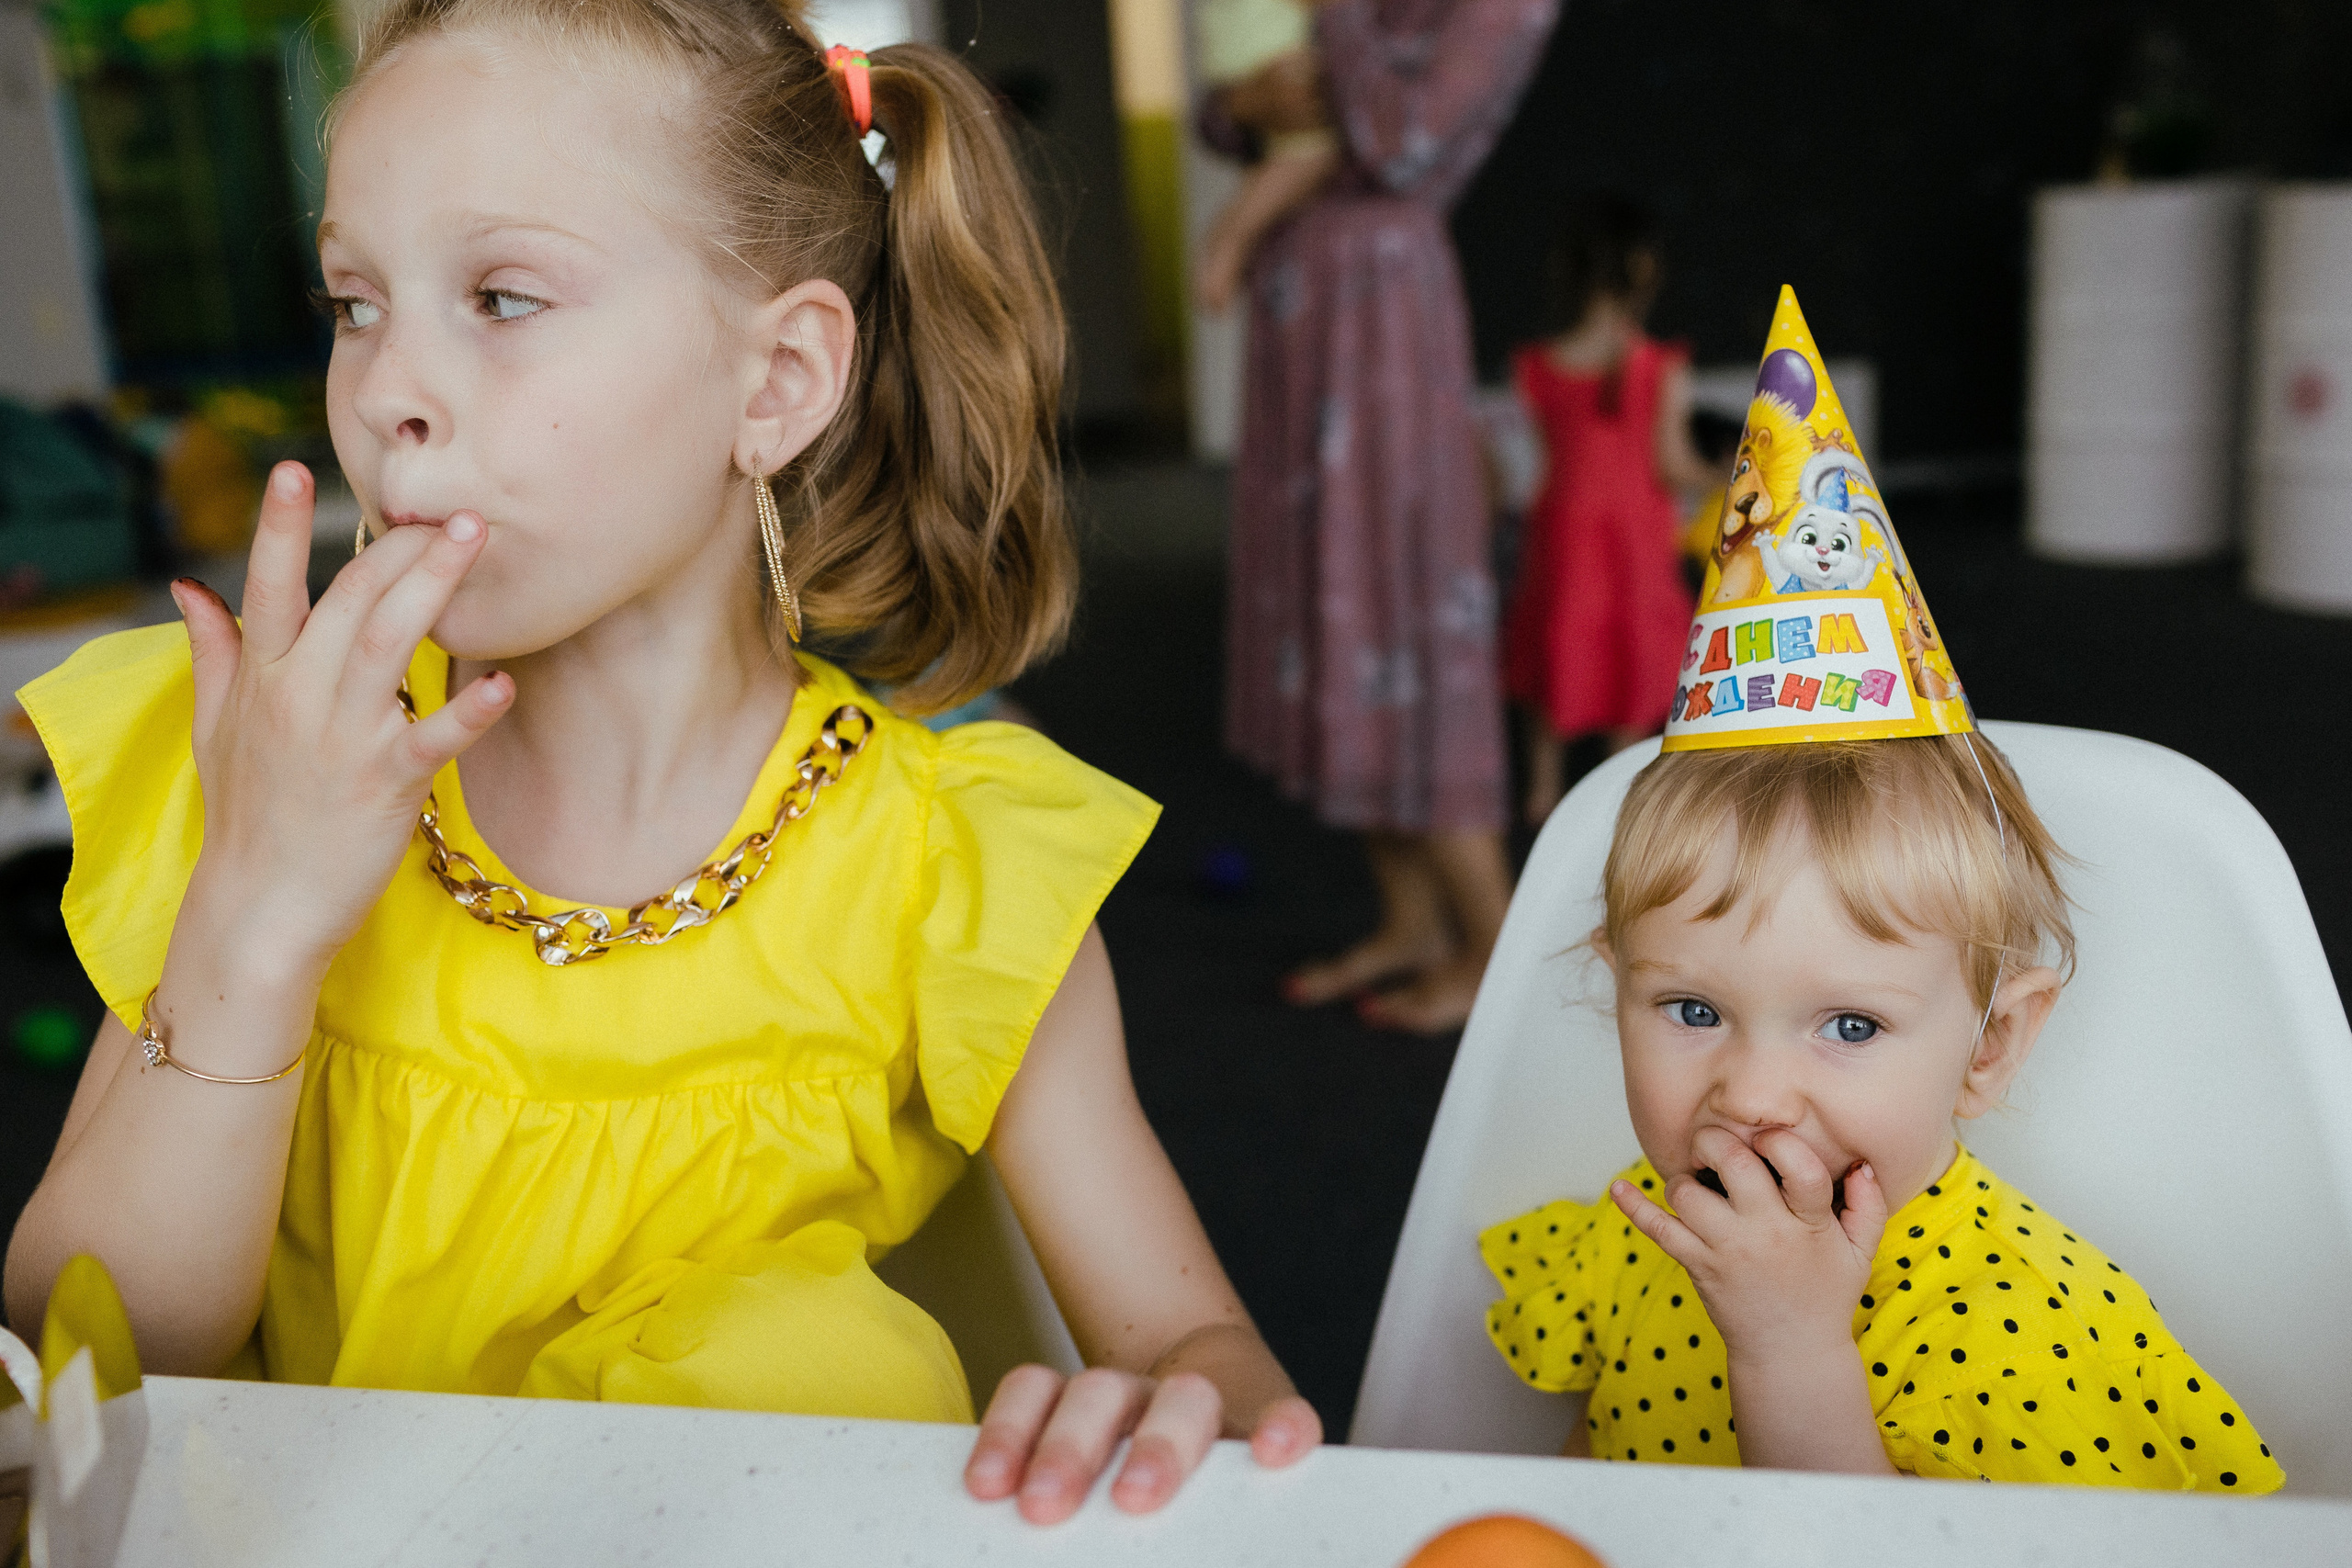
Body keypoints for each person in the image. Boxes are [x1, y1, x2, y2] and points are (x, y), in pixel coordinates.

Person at [1, 1, 1318, 1525]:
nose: (382, 391)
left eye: (500, 296)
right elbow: (83, 1358)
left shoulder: (953, 870)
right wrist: (256, 914)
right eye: (356, 299)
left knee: (811, 1355)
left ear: (773, 385)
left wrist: (1176, 1408)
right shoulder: (252, 755)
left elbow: (1202, 1352)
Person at [1475, 293, 2281, 1488]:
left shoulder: (2020, 1337)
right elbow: (1600, 1464)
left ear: (1991, 1042)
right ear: (1617, 980)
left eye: (1850, 1023)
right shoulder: (1646, 1224)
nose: (1747, 1093)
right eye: (1690, 1007)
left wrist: (1792, 1340)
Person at [1206, 0, 1560, 1035]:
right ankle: (1411, 919)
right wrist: (1242, 101)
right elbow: (1229, 121)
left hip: (1383, 327)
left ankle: (1494, 945)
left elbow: (1403, 144)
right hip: (1300, 314)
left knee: (1405, 625)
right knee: (1332, 623)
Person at [1503, 196, 1720, 825]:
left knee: (1559, 641)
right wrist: (1732, 473)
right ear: (1644, 271)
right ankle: (1616, 788)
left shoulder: (1538, 366)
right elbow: (1670, 465)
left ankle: (1542, 792)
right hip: (1633, 538)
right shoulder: (1658, 365)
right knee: (1634, 651)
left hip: (1563, 531)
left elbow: (1552, 457)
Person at [1188, 0, 1339, 314]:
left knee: (1285, 156)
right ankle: (1231, 239)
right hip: (1273, 53)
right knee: (1310, 151)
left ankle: (1230, 238)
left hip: (1241, 51)